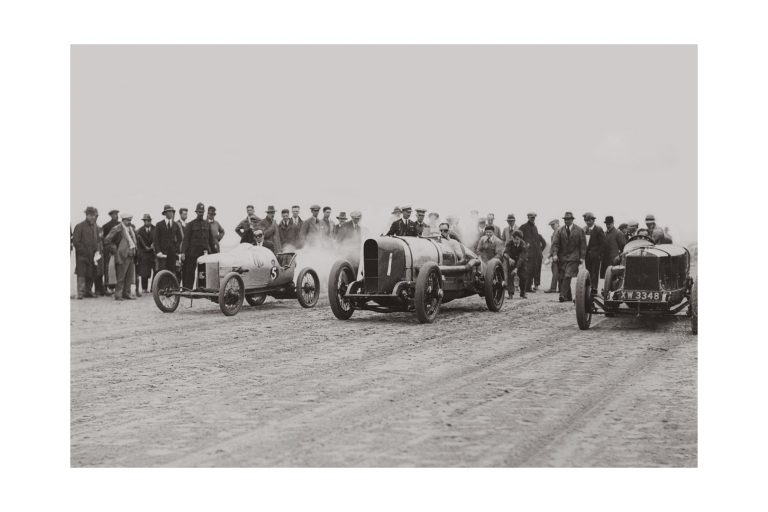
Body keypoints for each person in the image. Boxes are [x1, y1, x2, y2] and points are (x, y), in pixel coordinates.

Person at [551, 211, 586, 302]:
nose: (566, 221)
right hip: (562, 258)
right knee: (562, 277)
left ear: (572, 220)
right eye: (565, 219)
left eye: (568, 219)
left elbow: (583, 244)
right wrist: (554, 254)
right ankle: (568, 296)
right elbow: (555, 244)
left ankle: (562, 295)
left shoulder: (579, 230)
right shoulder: (560, 230)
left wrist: (582, 257)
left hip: (574, 257)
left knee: (568, 275)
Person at [104, 213, 139, 300]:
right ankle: (118, 294)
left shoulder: (131, 229)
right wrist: (115, 250)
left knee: (129, 276)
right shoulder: (117, 229)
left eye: (130, 220)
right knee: (121, 277)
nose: (129, 222)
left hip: (131, 254)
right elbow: (107, 240)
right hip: (121, 255)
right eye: (127, 220)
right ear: (123, 220)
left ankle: (127, 293)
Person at [180, 203, 215, 289]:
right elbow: (186, 240)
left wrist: (215, 252)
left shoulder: (207, 224)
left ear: (204, 212)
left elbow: (211, 240)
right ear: (196, 212)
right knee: (189, 272)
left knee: (203, 272)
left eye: (202, 212)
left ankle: (202, 289)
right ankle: (187, 289)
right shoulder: (191, 224)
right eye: (199, 212)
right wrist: (183, 252)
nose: (201, 213)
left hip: (204, 254)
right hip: (192, 253)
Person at [72, 206, 102, 299]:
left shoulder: (95, 227)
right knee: (82, 273)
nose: (93, 217)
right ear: (87, 215)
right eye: (91, 215)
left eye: (94, 215)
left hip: (93, 256)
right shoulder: (79, 226)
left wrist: (97, 252)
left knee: (92, 273)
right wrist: (83, 252)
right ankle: (80, 293)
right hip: (82, 256)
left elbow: (97, 240)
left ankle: (88, 292)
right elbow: (76, 242)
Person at [154, 204, 183, 277]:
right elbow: (156, 239)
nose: (171, 213)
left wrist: (175, 248)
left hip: (172, 254)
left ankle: (170, 288)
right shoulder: (159, 225)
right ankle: (161, 288)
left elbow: (180, 238)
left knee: (171, 272)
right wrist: (158, 251)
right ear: (165, 213)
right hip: (162, 254)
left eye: (172, 212)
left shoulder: (175, 224)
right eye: (169, 212)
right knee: (162, 272)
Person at [519, 212, 544, 292]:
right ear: (528, 217)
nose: (532, 219)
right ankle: (527, 288)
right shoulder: (523, 227)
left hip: (536, 254)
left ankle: (531, 287)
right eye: (531, 217)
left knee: (534, 270)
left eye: (533, 217)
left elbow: (538, 241)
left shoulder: (535, 227)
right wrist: (524, 247)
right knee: (527, 270)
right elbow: (518, 237)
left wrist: (540, 251)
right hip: (528, 253)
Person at [504, 229, 530, 299]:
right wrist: (509, 258)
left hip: (521, 262)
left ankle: (523, 293)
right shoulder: (509, 243)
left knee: (523, 277)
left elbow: (522, 258)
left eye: (518, 239)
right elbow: (505, 253)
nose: (516, 241)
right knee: (510, 277)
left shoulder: (523, 245)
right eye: (514, 239)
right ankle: (510, 293)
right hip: (511, 261)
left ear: (521, 239)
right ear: (512, 238)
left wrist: (516, 268)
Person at [583, 212, 605, 291]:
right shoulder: (585, 230)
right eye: (586, 221)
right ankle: (589, 287)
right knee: (588, 272)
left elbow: (603, 244)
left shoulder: (598, 229)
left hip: (596, 256)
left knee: (595, 272)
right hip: (587, 256)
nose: (588, 222)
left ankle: (594, 288)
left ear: (593, 220)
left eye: (589, 220)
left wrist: (599, 254)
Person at [101, 209, 120, 295]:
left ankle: (115, 287)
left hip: (119, 249)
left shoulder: (120, 225)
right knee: (107, 268)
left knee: (117, 268)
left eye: (116, 214)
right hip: (108, 250)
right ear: (111, 215)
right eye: (114, 214)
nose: (116, 216)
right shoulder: (106, 226)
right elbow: (104, 240)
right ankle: (106, 287)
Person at [136, 214, 156, 293]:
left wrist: (154, 245)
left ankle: (153, 288)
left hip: (153, 254)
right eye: (147, 221)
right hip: (144, 254)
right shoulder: (139, 231)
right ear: (144, 221)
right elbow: (138, 245)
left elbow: (158, 239)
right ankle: (144, 288)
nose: (148, 222)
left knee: (155, 271)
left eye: (149, 220)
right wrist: (141, 254)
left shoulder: (156, 229)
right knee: (144, 272)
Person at [544, 219, 560, 293]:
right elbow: (553, 246)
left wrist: (554, 254)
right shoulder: (554, 233)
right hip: (555, 255)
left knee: (556, 272)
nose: (552, 227)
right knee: (556, 271)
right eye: (551, 225)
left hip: (558, 255)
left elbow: (558, 245)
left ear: (557, 224)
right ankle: (559, 288)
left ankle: (554, 288)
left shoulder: (560, 232)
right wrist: (549, 255)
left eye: (553, 225)